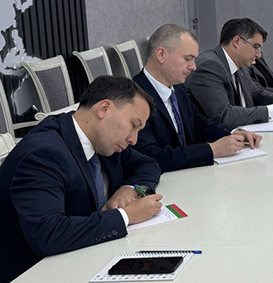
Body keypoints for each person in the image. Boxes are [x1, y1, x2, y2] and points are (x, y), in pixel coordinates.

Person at [0, 76, 163, 282]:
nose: (134, 139)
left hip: (86, 256)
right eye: (133, 125)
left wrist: (129, 189)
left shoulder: (102, 138)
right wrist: (126, 216)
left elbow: (148, 164)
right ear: (104, 109)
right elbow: (48, 234)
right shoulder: (44, 154)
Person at [132, 24, 263, 172]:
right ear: (161, 55)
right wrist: (212, 150)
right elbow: (153, 156)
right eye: (188, 59)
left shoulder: (177, 87)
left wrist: (233, 133)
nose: (193, 67)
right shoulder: (135, 98)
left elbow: (198, 123)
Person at [185, 18, 273, 128]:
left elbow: (255, 93)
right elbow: (224, 115)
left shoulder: (239, 64)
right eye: (256, 47)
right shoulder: (210, 66)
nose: (258, 54)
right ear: (237, 42)